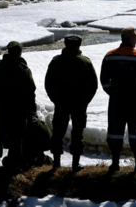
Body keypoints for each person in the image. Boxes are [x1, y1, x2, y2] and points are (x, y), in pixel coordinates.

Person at [100, 27, 136, 173]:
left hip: (116, 101)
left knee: (115, 132)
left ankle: (115, 164)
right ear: (130, 39)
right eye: (135, 38)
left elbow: (104, 79)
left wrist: (112, 93)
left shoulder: (110, 55)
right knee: (135, 133)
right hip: (135, 101)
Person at [45, 35, 98, 172]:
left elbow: (48, 83)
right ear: (78, 46)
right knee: (77, 133)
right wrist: (85, 101)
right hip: (79, 104)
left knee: (58, 132)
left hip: (61, 103)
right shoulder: (85, 62)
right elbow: (93, 85)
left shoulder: (56, 61)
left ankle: (56, 163)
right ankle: (75, 164)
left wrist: (55, 99)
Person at [0, 41, 36, 172]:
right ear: (20, 52)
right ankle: (12, 168)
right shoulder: (24, 69)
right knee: (16, 140)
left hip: (0, 110)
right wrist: (30, 111)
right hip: (18, 112)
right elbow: (30, 92)